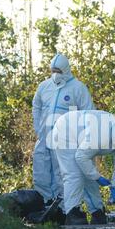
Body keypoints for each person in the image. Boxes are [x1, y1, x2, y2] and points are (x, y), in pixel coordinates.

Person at [52, 110, 115, 225]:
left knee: (89, 174)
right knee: (75, 175)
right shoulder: (101, 134)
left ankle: (97, 211)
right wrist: (97, 177)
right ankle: (72, 212)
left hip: (82, 140)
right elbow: (81, 157)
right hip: (65, 131)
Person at [32, 54, 95, 211]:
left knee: (63, 174)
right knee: (41, 171)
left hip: (66, 141)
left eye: (58, 70)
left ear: (66, 70)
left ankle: (66, 209)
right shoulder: (44, 86)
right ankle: (46, 204)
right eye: (53, 70)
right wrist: (38, 127)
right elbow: (36, 105)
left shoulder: (78, 88)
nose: (55, 73)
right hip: (44, 137)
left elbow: (89, 113)